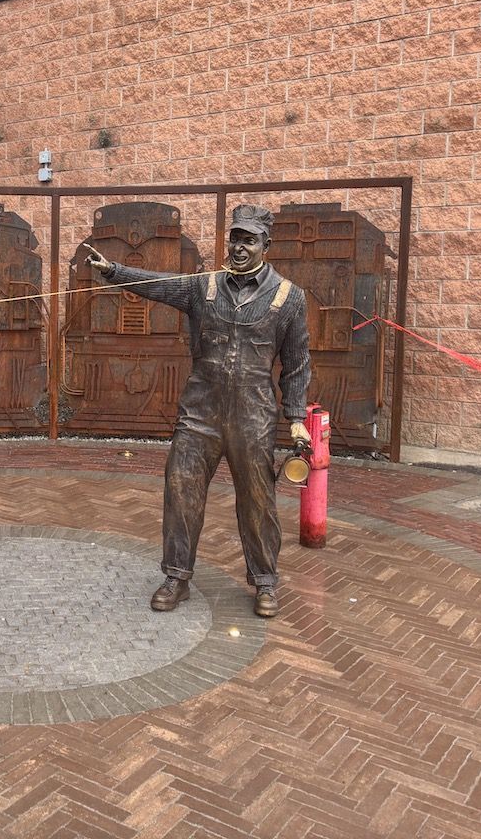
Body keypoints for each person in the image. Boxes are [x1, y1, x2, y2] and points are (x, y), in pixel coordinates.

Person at [85, 204, 312, 617]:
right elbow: (157, 284)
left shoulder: (289, 298)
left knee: (258, 501)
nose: (239, 247)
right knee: (182, 491)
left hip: (254, 418)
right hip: (200, 414)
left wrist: (296, 419)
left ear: (266, 244)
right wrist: (114, 272)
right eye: (235, 238)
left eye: (248, 240)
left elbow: (296, 366)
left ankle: (265, 582)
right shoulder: (202, 287)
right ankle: (176, 576)